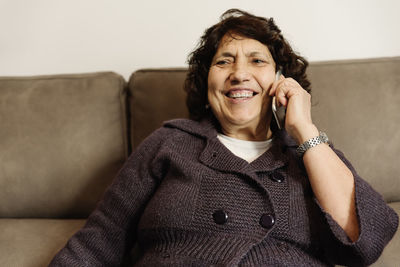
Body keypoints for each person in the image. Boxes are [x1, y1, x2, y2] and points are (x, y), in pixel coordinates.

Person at [50, 9, 398, 267]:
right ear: (208, 84)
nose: (239, 74)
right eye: (224, 62)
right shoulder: (168, 143)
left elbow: (363, 240)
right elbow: (97, 244)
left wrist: (304, 129)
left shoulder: (311, 153)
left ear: (280, 79)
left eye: (257, 60)